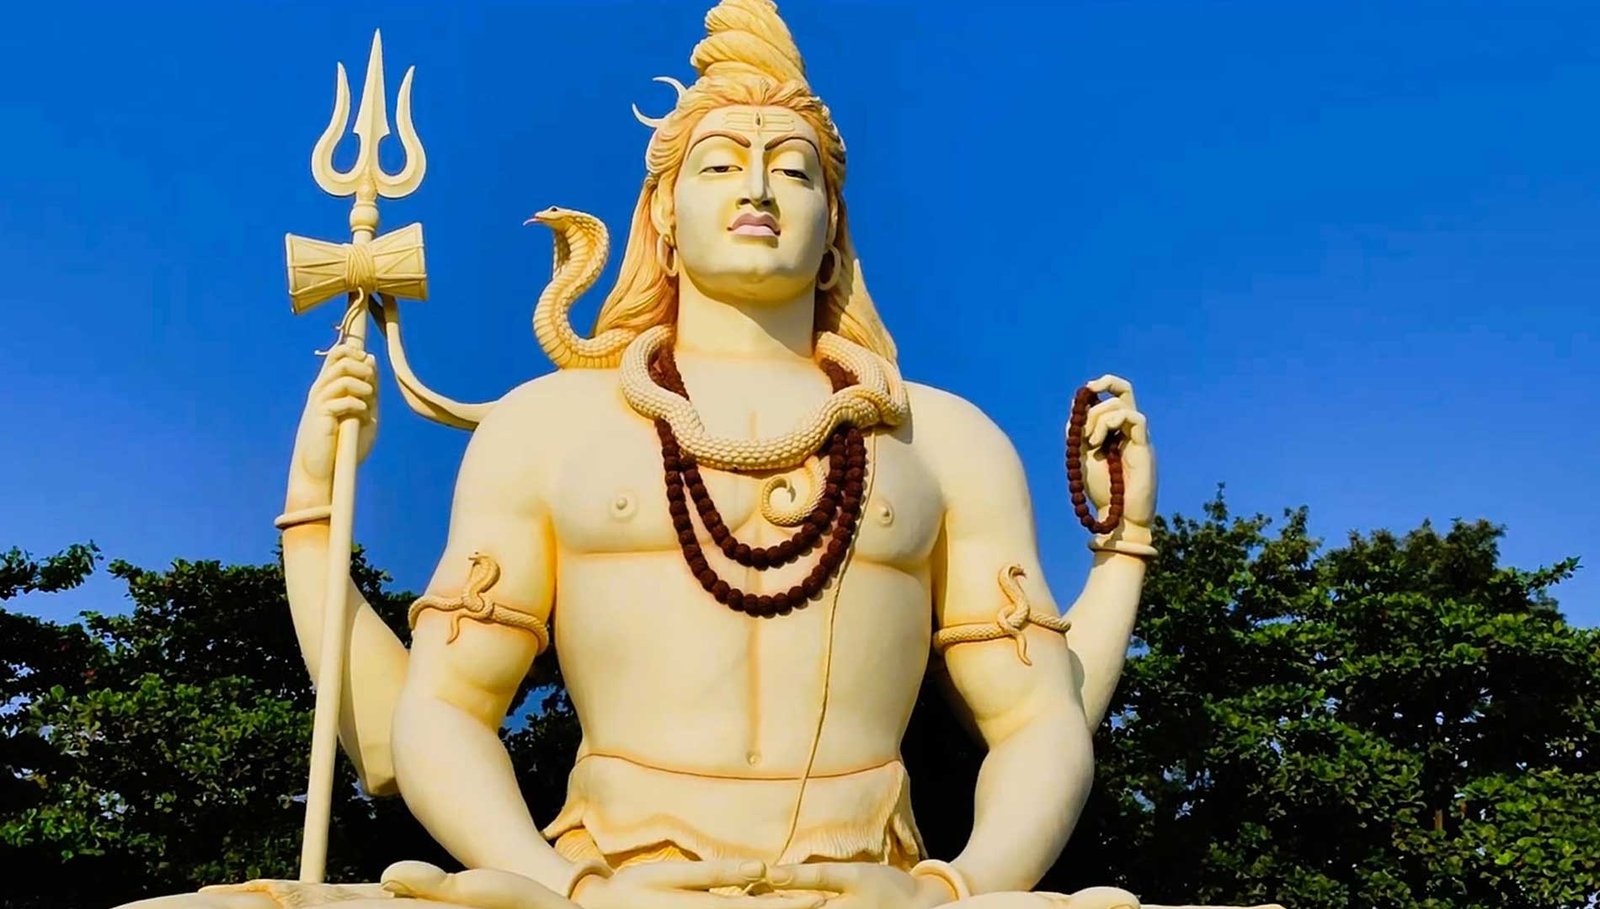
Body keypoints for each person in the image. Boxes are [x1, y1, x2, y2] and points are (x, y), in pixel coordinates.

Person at [123, 2, 1244, 908]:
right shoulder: (550, 425)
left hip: (879, 887)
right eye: (718, 164)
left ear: (836, 222)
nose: (757, 187)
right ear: (661, 214)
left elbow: (1040, 719)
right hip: (604, 880)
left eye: (793, 169)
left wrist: (959, 885)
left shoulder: (939, 438)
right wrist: (554, 885)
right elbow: (441, 713)